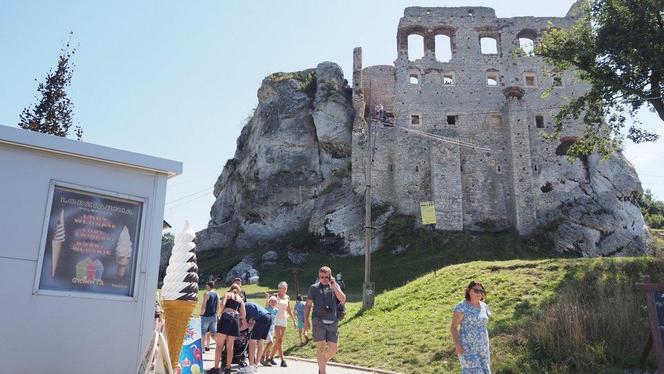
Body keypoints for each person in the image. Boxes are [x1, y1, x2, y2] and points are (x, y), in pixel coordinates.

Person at [304, 266, 347, 374]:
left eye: (326, 277)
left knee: (333, 349)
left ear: (330, 276)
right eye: (321, 277)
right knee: (321, 347)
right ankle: (322, 372)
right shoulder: (314, 288)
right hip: (318, 321)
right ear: (319, 276)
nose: (323, 279)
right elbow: (308, 305)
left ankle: (321, 364)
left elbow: (342, 299)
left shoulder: (335, 286)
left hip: (333, 321)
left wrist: (334, 286)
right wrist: (306, 321)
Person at [450, 281, 491, 374]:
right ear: (469, 291)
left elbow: (483, 326)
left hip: (483, 348)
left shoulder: (484, 306)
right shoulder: (461, 307)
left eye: (481, 291)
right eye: (476, 290)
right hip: (467, 348)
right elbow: (453, 327)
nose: (479, 293)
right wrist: (457, 345)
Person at [211, 284, 246, 374]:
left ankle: (216, 368)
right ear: (238, 290)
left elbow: (222, 305)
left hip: (226, 318)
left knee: (219, 345)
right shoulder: (240, 298)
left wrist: (221, 312)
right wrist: (237, 315)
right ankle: (228, 368)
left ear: (230, 288)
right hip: (235, 320)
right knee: (230, 347)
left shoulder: (227, 294)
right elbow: (243, 315)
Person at [239, 301, 274, 373]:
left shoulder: (242, 307)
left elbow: (245, 325)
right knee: (260, 342)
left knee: (252, 341)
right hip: (269, 317)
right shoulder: (248, 305)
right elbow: (250, 323)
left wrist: (236, 331)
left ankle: (251, 366)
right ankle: (255, 366)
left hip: (262, 318)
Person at [270, 281, 296, 367]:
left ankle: (271, 357)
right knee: (279, 340)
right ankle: (282, 360)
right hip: (276, 319)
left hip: (284, 319)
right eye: (283, 288)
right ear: (279, 288)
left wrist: (294, 320)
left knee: (279, 340)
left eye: (286, 288)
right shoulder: (275, 296)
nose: (285, 290)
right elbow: (269, 305)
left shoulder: (287, 297)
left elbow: (288, 309)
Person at [200, 281, 220, 352]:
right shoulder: (217, 294)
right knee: (213, 334)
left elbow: (204, 304)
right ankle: (220, 346)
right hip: (214, 316)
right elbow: (218, 305)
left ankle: (202, 348)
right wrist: (216, 313)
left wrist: (201, 313)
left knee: (203, 333)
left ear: (209, 286)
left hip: (206, 316)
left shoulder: (207, 294)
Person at [260, 295, 279, 366]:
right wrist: (267, 298)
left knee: (270, 344)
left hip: (272, 328)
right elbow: (266, 305)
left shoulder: (276, 310)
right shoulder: (267, 308)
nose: (273, 303)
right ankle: (262, 356)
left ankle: (267, 360)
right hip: (266, 328)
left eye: (275, 301)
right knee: (270, 343)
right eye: (272, 301)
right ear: (269, 302)